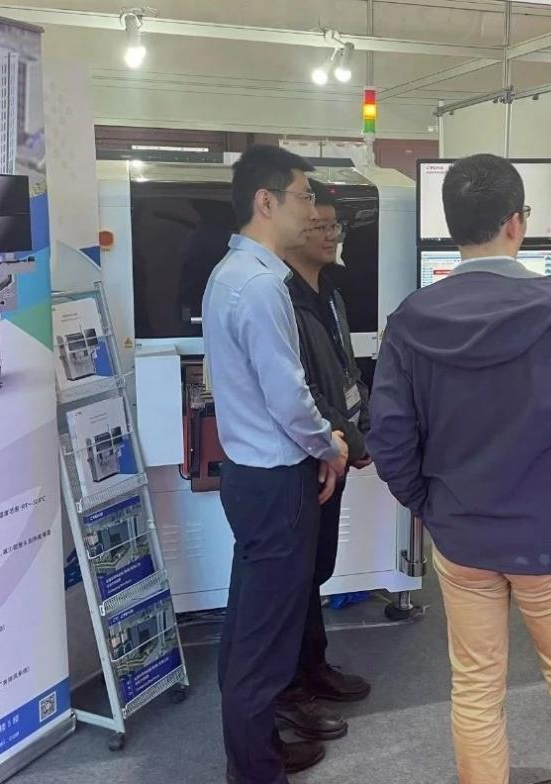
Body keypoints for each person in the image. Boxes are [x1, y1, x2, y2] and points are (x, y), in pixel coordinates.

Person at [368, 153, 551, 784]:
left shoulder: (409, 320)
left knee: (476, 686)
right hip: (549, 530)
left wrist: (429, 502)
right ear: (517, 222)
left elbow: (390, 439)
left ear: (452, 224)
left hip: (461, 533)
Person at [204, 144, 350, 784]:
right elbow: (288, 396)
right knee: (263, 642)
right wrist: (329, 445)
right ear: (266, 201)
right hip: (276, 481)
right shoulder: (263, 285)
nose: (313, 210)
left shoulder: (230, 272)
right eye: (304, 196)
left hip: (249, 478)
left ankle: (254, 750)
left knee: (247, 627)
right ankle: (255, 770)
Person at [273, 179, 373, 744]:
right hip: (307, 456)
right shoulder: (279, 298)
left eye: (335, 225)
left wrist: (363, 429)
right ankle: (288, 691)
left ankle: (313, 667)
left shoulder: (330, 293)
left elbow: (345, 372)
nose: (331, 235)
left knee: (316, 568)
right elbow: (302, 390)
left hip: (333, 452)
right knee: (292, 579)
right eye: (319, 225)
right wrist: (348, 443)